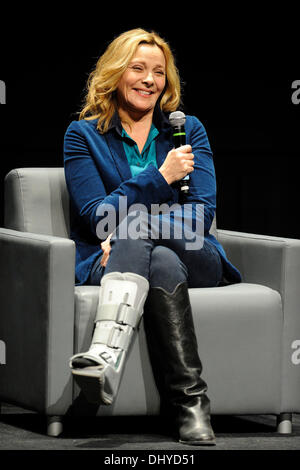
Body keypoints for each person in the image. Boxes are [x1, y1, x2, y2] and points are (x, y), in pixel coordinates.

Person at [64, 28, 241, 446]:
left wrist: (131, 229)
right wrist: (161, 178)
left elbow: (201, 214)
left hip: (197, 254)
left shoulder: (188, 130)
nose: (149, 80)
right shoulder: (83, 135)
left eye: (158, 73)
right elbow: (96, 217)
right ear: (115, 73)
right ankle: (193, 405)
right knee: (160, 260)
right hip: (114, 258)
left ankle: (107, 354)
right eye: (138, 68)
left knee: (140, 231)